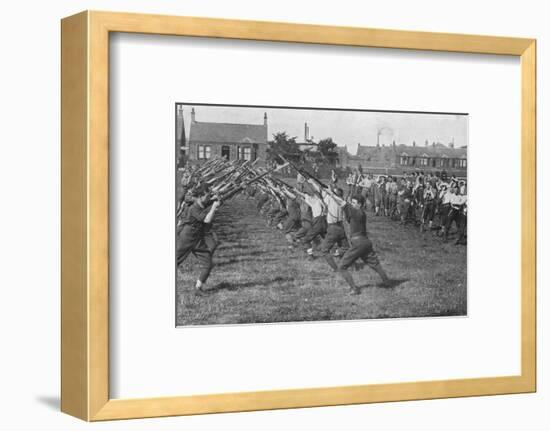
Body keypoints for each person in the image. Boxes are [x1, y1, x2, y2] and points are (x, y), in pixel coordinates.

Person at [329, 193, 391, 294]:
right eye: (352, 202)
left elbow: (342, 202)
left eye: (354, 203)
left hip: (358, 243)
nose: (352, 204)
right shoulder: (360, 213)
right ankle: (387, 282)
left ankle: (354, 289)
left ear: (360, 204)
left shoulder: (356, 212)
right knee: (375, 264)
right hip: (365, 242)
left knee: (342, 267)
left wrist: (330, 194)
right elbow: (345, 207)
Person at [176, 184, 221, 295]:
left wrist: (219, 198)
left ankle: (198, 288)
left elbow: (214, 201)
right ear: (200, 196)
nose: (208, 198)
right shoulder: (194, 208)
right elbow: (206, 220)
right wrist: (214, 207)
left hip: (197, 239)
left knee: (208, 264)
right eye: (207, 196)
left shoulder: (202, 204)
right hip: (187, 237)